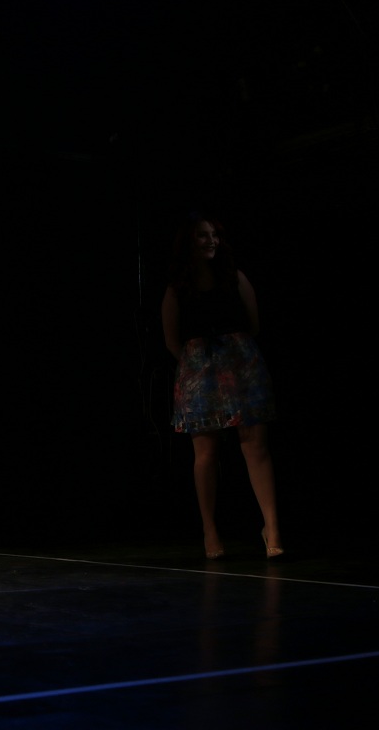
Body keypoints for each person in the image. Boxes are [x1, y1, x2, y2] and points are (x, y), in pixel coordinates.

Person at [161, 212, 284, 560]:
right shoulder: (177, 289)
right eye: (203, 235)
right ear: (189, 242)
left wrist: (233, 355)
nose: (211, 241)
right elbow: (171, 341)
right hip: (200, 374)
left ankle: (272, 527)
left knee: (255, 446)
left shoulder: (235, 277)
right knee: (206, 453)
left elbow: (254, 324)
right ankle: (210, 530)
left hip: (242, 367)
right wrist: (198, 365)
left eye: (214, 235)